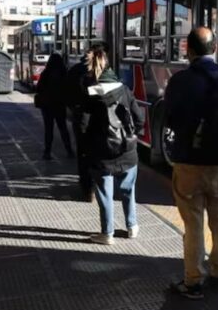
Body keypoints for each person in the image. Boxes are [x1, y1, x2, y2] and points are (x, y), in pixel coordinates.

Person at [165, 26, 218, 299]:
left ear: (189, 50)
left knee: (193, 224)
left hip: (189, 162)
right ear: (215, 49)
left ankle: (194, 281)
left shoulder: (180, 81)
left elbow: (170, 118)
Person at [83, 48, 144, 245]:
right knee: (128, 190)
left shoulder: (90, 94)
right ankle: (132, 227)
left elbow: (83, 126)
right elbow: (139, 119)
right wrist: (130, 135)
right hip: (127, 151)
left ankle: (107, 234)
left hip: (102, 155)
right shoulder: (124, 89)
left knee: (105, 194)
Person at [66, 46, 98, 199]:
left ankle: (86, 187)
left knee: (82, 152)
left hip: (80, 117)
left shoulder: (74, 71)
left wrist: (74, 107)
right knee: (97, 151)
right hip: (98, 118)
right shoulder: (99, 71)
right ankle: (96, 184)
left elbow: (66, 94)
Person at [35, 53, 74, 160]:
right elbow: (68, 90)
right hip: (59, 105)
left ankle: (47, 152)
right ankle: (69, 150)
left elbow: (38, 88)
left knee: (49, 129)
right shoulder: (64, 73)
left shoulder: (45, 73)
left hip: (47, 106)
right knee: (63, 128)